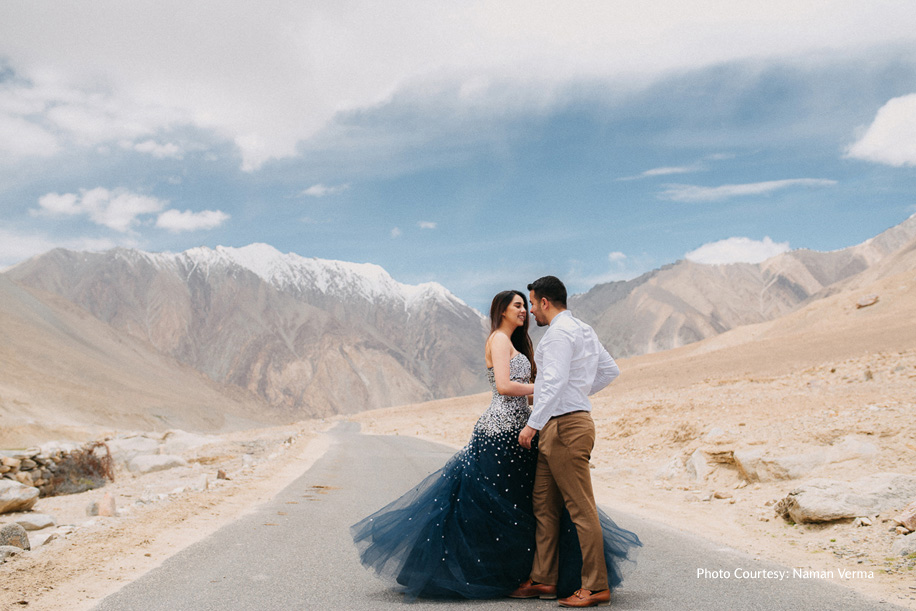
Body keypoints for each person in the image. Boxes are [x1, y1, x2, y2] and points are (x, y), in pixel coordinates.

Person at [350, 289, 539, 598]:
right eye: (518, 306)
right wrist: (544, 384)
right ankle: (480, 574)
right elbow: (504, 387)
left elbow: (525, 393)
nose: (524, 311)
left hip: (518, 432)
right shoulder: (499, 340)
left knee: (513, 503)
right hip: (499, 431)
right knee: (491, 505)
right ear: (502, 310)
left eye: (524, 306)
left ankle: (516, 573)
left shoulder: (516, 343)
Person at [512, 275, 639, 608]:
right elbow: (609, 371)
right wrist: (578, 393)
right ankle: (544, 579)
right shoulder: (584, 329)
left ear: (544, 302)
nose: (532, 313)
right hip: (565, 424)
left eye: (533, 303)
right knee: (544, 504)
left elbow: (552, 385)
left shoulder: (556, 335)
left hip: (563, 427)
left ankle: (596, 586)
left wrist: (532, 425)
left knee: (580, 509)